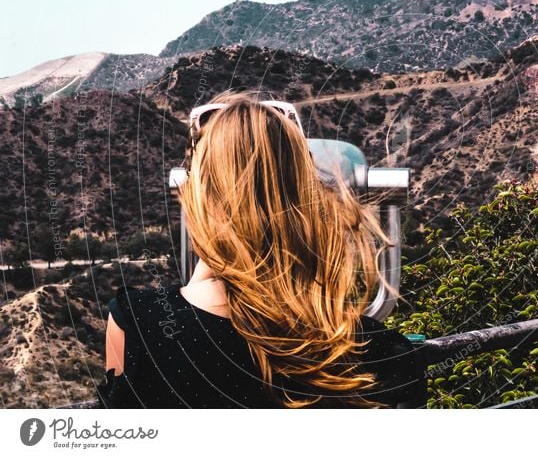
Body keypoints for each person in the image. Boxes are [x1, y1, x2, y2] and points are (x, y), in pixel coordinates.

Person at [97, 90, 424, 408]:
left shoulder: (140, 324)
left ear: (198, 198)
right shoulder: (374, 352)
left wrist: (210, 255)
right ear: (308, 197)